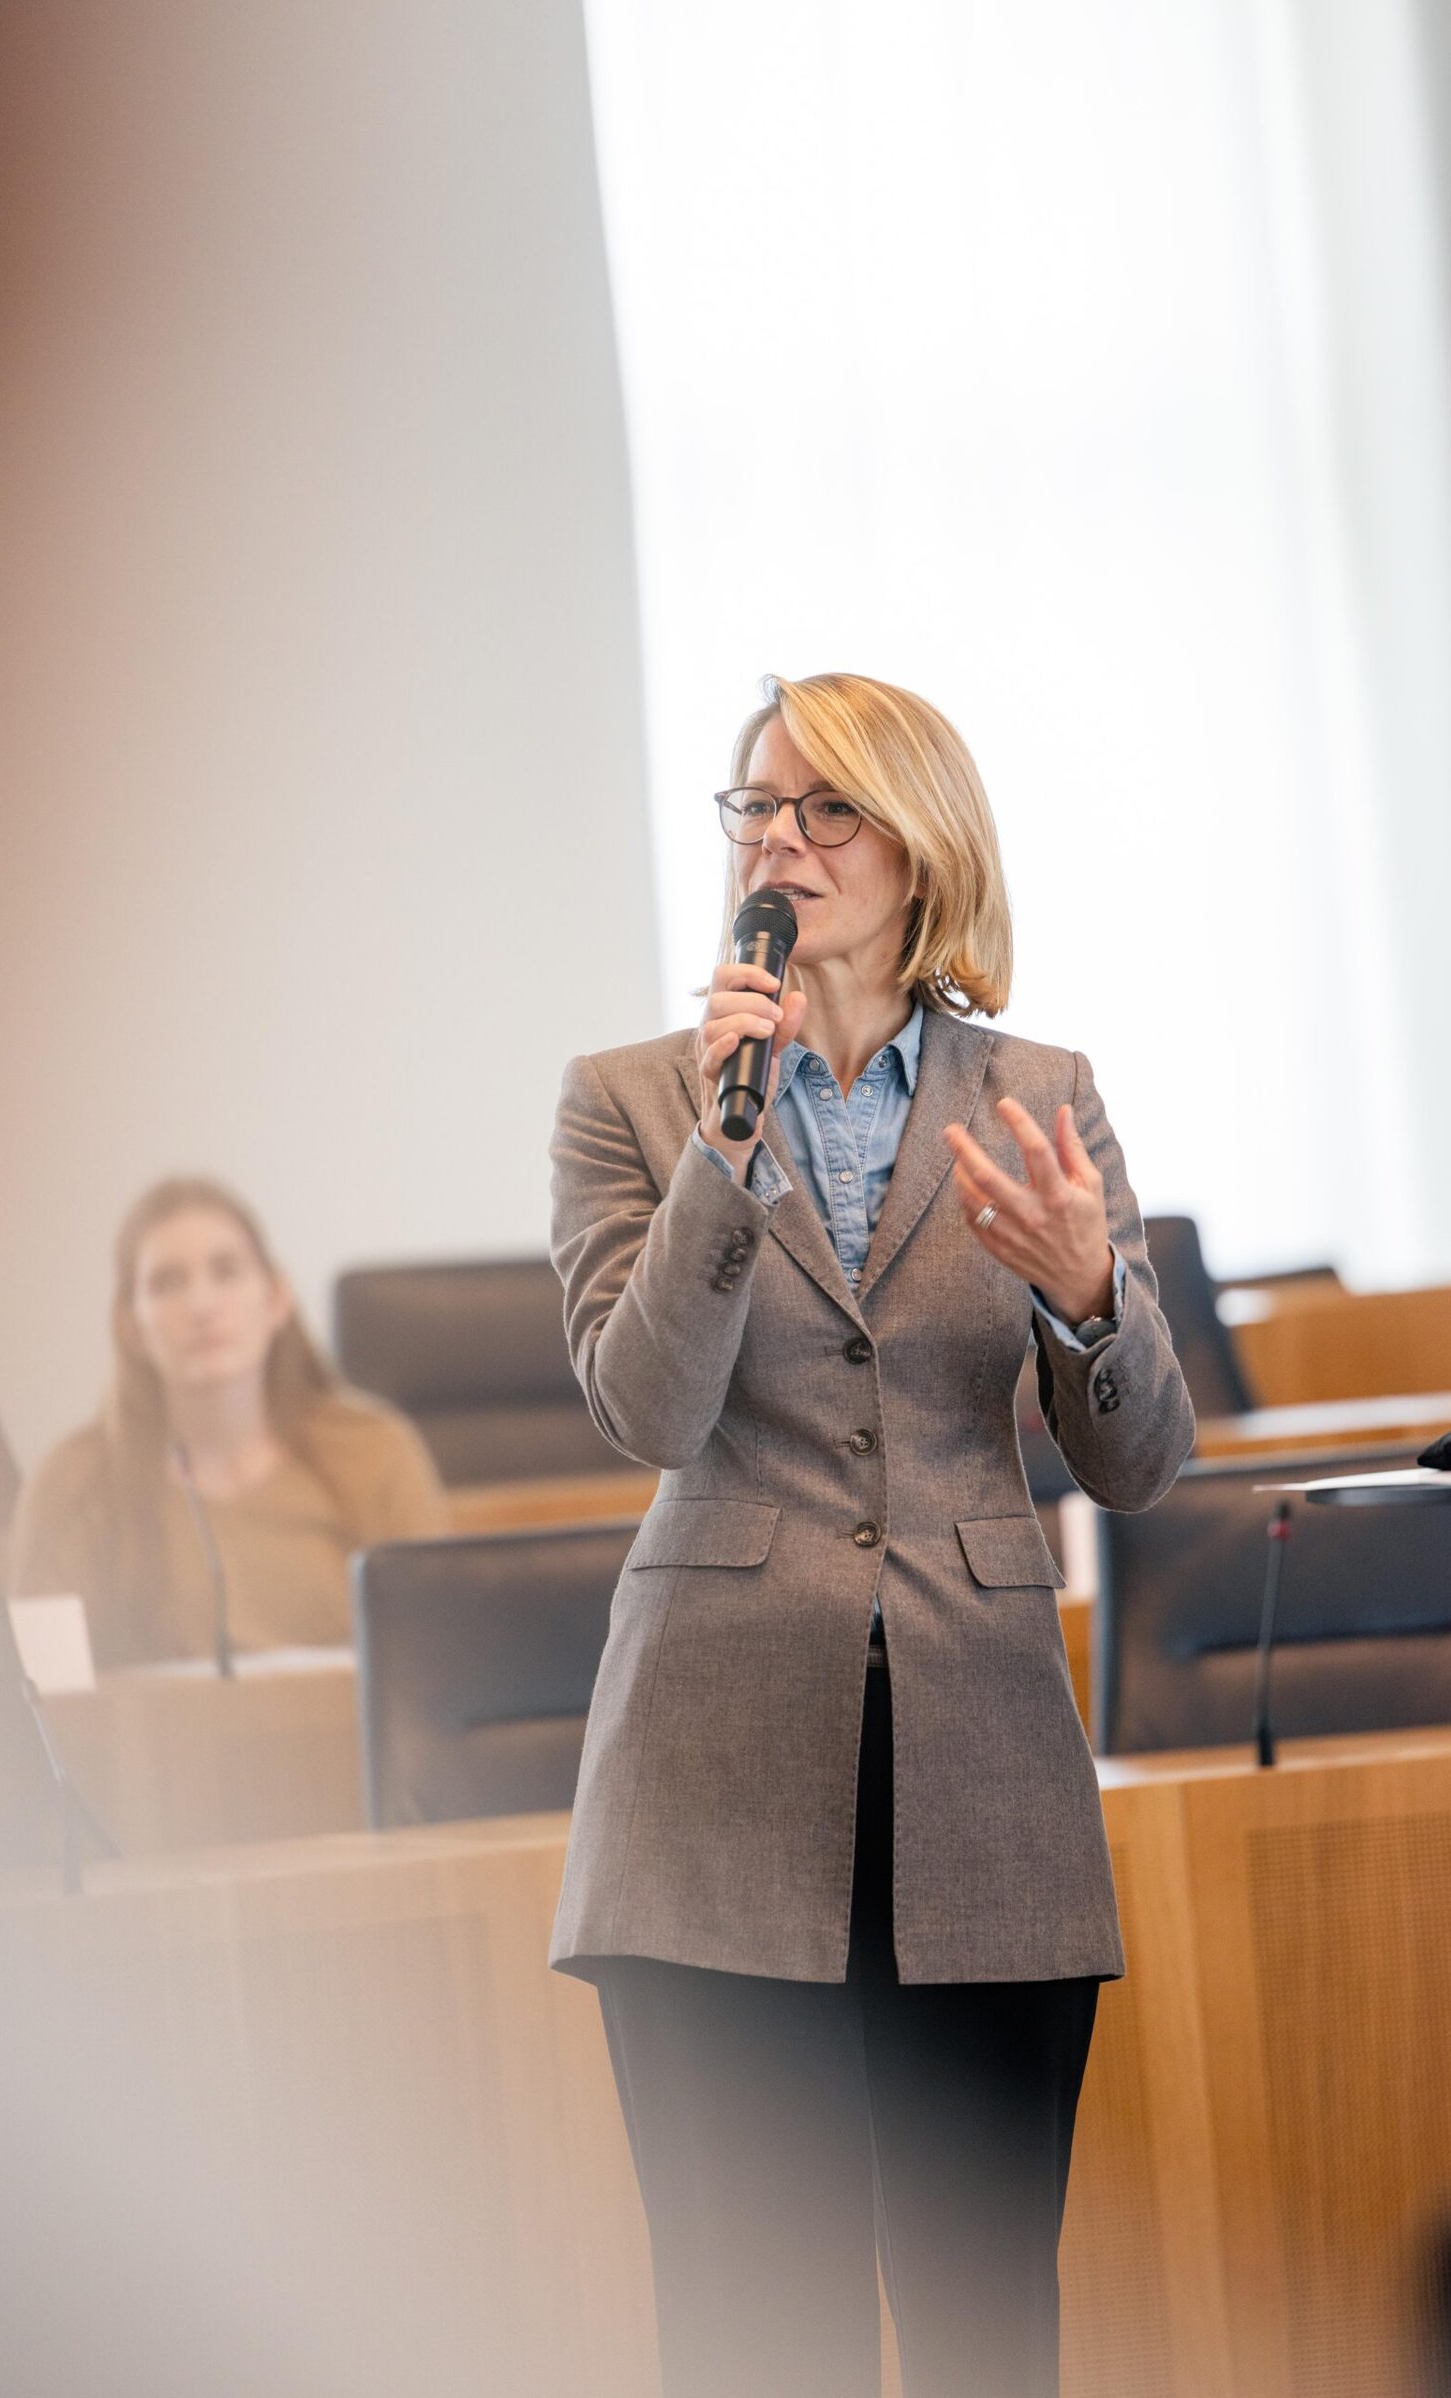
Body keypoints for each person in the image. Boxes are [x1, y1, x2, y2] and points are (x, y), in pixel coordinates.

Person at [548, 672, 1194, 2398]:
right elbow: (649, 1410)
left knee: (991, 2328)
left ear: (923, 852)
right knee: (766, 2338)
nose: (782, 838)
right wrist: (726, 1133)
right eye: (759, 805)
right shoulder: (632, 1094)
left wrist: (1085, 1294)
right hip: (710, 1793)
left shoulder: (1041, 1089)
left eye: (828, 807)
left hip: (984, 1789)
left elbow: (1140, 1463)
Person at [8, 1176, 451, 1665]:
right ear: (131, 1325)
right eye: (167, 1283)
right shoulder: (73, 1484)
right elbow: (44, 1697)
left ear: (277, 1298)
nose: (201, 1306)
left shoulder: (374, 1450)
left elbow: (436, 1657)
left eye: (227, 1271)